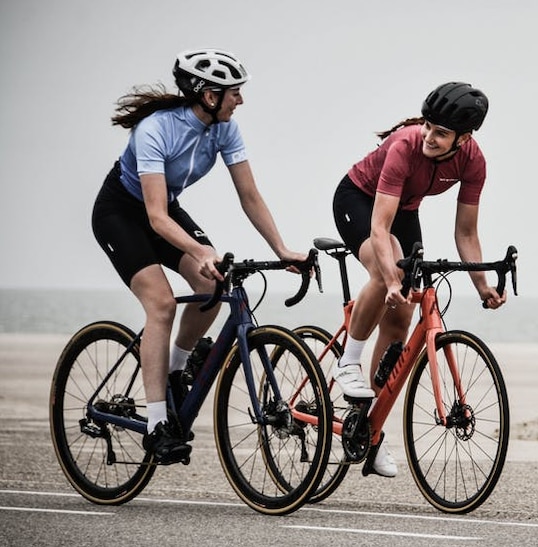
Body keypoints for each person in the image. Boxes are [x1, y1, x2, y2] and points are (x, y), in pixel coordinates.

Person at [92, 49, 307, 464]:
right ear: (209, 96)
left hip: (164, 210)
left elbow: (249, 195)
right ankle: (157, 424)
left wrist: (280, 249)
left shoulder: (225, 129)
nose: (240, 100)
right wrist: (199, 248)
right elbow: (155, 217)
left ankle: (176, 369)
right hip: (121, 213)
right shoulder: (155, 130)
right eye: (234, 93)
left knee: (213, 282)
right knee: (161, 304)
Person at [331, 81, 507, 477]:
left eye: (441, 132)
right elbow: (379, 229)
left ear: (463, 139)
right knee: (386, 270)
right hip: (359, 199)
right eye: (428, 125)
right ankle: (349, 362)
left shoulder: (473, 162)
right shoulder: (404, 145)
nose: (429, 136)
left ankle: (369, 430)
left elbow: (466, 234)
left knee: (402, 315)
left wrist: (483, 286)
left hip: (404, 209)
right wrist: (391, 278)